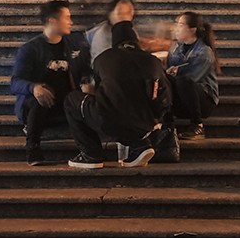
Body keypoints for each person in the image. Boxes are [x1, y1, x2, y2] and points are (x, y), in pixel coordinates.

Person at [65, 21, 168, 168]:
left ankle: (91, 153)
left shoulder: (103, 58)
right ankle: (140, 145)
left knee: (71, 100)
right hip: (148, 122)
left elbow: (100, 91)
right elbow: (164, 95)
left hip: (111, 120)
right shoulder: (153, 60)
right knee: (127, 110)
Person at [11, 0, 90, 165]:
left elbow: (87, 72)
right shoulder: (30, 49)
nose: (71, 22)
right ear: (53, 21)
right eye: (67, 17)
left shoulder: (74, 46)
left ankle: (90, 150)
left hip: (67, 102)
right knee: (40, 97)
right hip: (40, 105)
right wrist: (33, 87)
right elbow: (15, 82)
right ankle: (32, 147)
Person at [166, 11, 218, 138]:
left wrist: (175, 74)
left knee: (183, 81)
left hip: (203, 101)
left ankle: (197, 125)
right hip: (182, 99)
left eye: (181, 25)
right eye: (176, 24)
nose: (176, 28)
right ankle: (166, 126)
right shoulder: (175, 48)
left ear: (192, 29)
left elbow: (192, 79)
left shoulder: (204, 52)